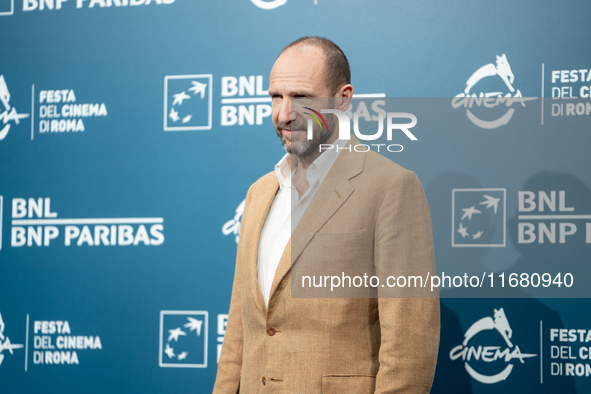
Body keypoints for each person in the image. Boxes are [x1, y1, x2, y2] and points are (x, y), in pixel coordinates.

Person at [213, 36, 439, 393]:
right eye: (276, 97)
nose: (284, 114)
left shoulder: (390, 188)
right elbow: (240, 329)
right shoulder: (259, 193)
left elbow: (410, 347)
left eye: (301, 97)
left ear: (343, 99)